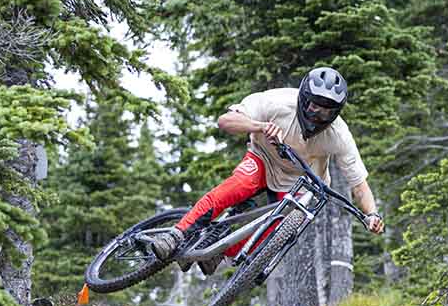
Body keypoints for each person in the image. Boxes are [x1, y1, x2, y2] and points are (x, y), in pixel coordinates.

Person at [150, 67, 384, 271]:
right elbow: (226, 121)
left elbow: (359, 184)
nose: (318, 115)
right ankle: (176, 234)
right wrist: (259, 126)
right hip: (263, 158)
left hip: (301, 180)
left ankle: (223, 250)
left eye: (327, 112)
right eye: (314, 107)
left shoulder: (339, 135)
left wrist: (372, 214)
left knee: (287, 224)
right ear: (304, 98)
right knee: (240, 184)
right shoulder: (278, 101)